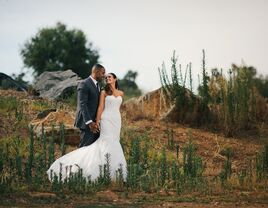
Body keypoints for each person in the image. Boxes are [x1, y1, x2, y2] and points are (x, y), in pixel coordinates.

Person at [47, 73, 127, 182]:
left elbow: (118, 108)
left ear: (115, 79)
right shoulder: (104, 92)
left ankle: (115, 171)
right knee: (106, 141)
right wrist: (98, 121)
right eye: (106, 77)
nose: (107, 78)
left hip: (116, 120)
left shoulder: (121, 93)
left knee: (115, 141)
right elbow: (100, 107)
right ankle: (101, 169)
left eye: (109, 77)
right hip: (106, 119)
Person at [74, 64, 106, 147]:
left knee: (93, 150)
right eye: (103, 73)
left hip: (95, 124)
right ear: (97, 72)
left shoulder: (98, 85)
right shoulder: (84, 83)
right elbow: (82, 104)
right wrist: (89, 122)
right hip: (87, 123)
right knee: (84, 148)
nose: (104, 75)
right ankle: (77, 161)